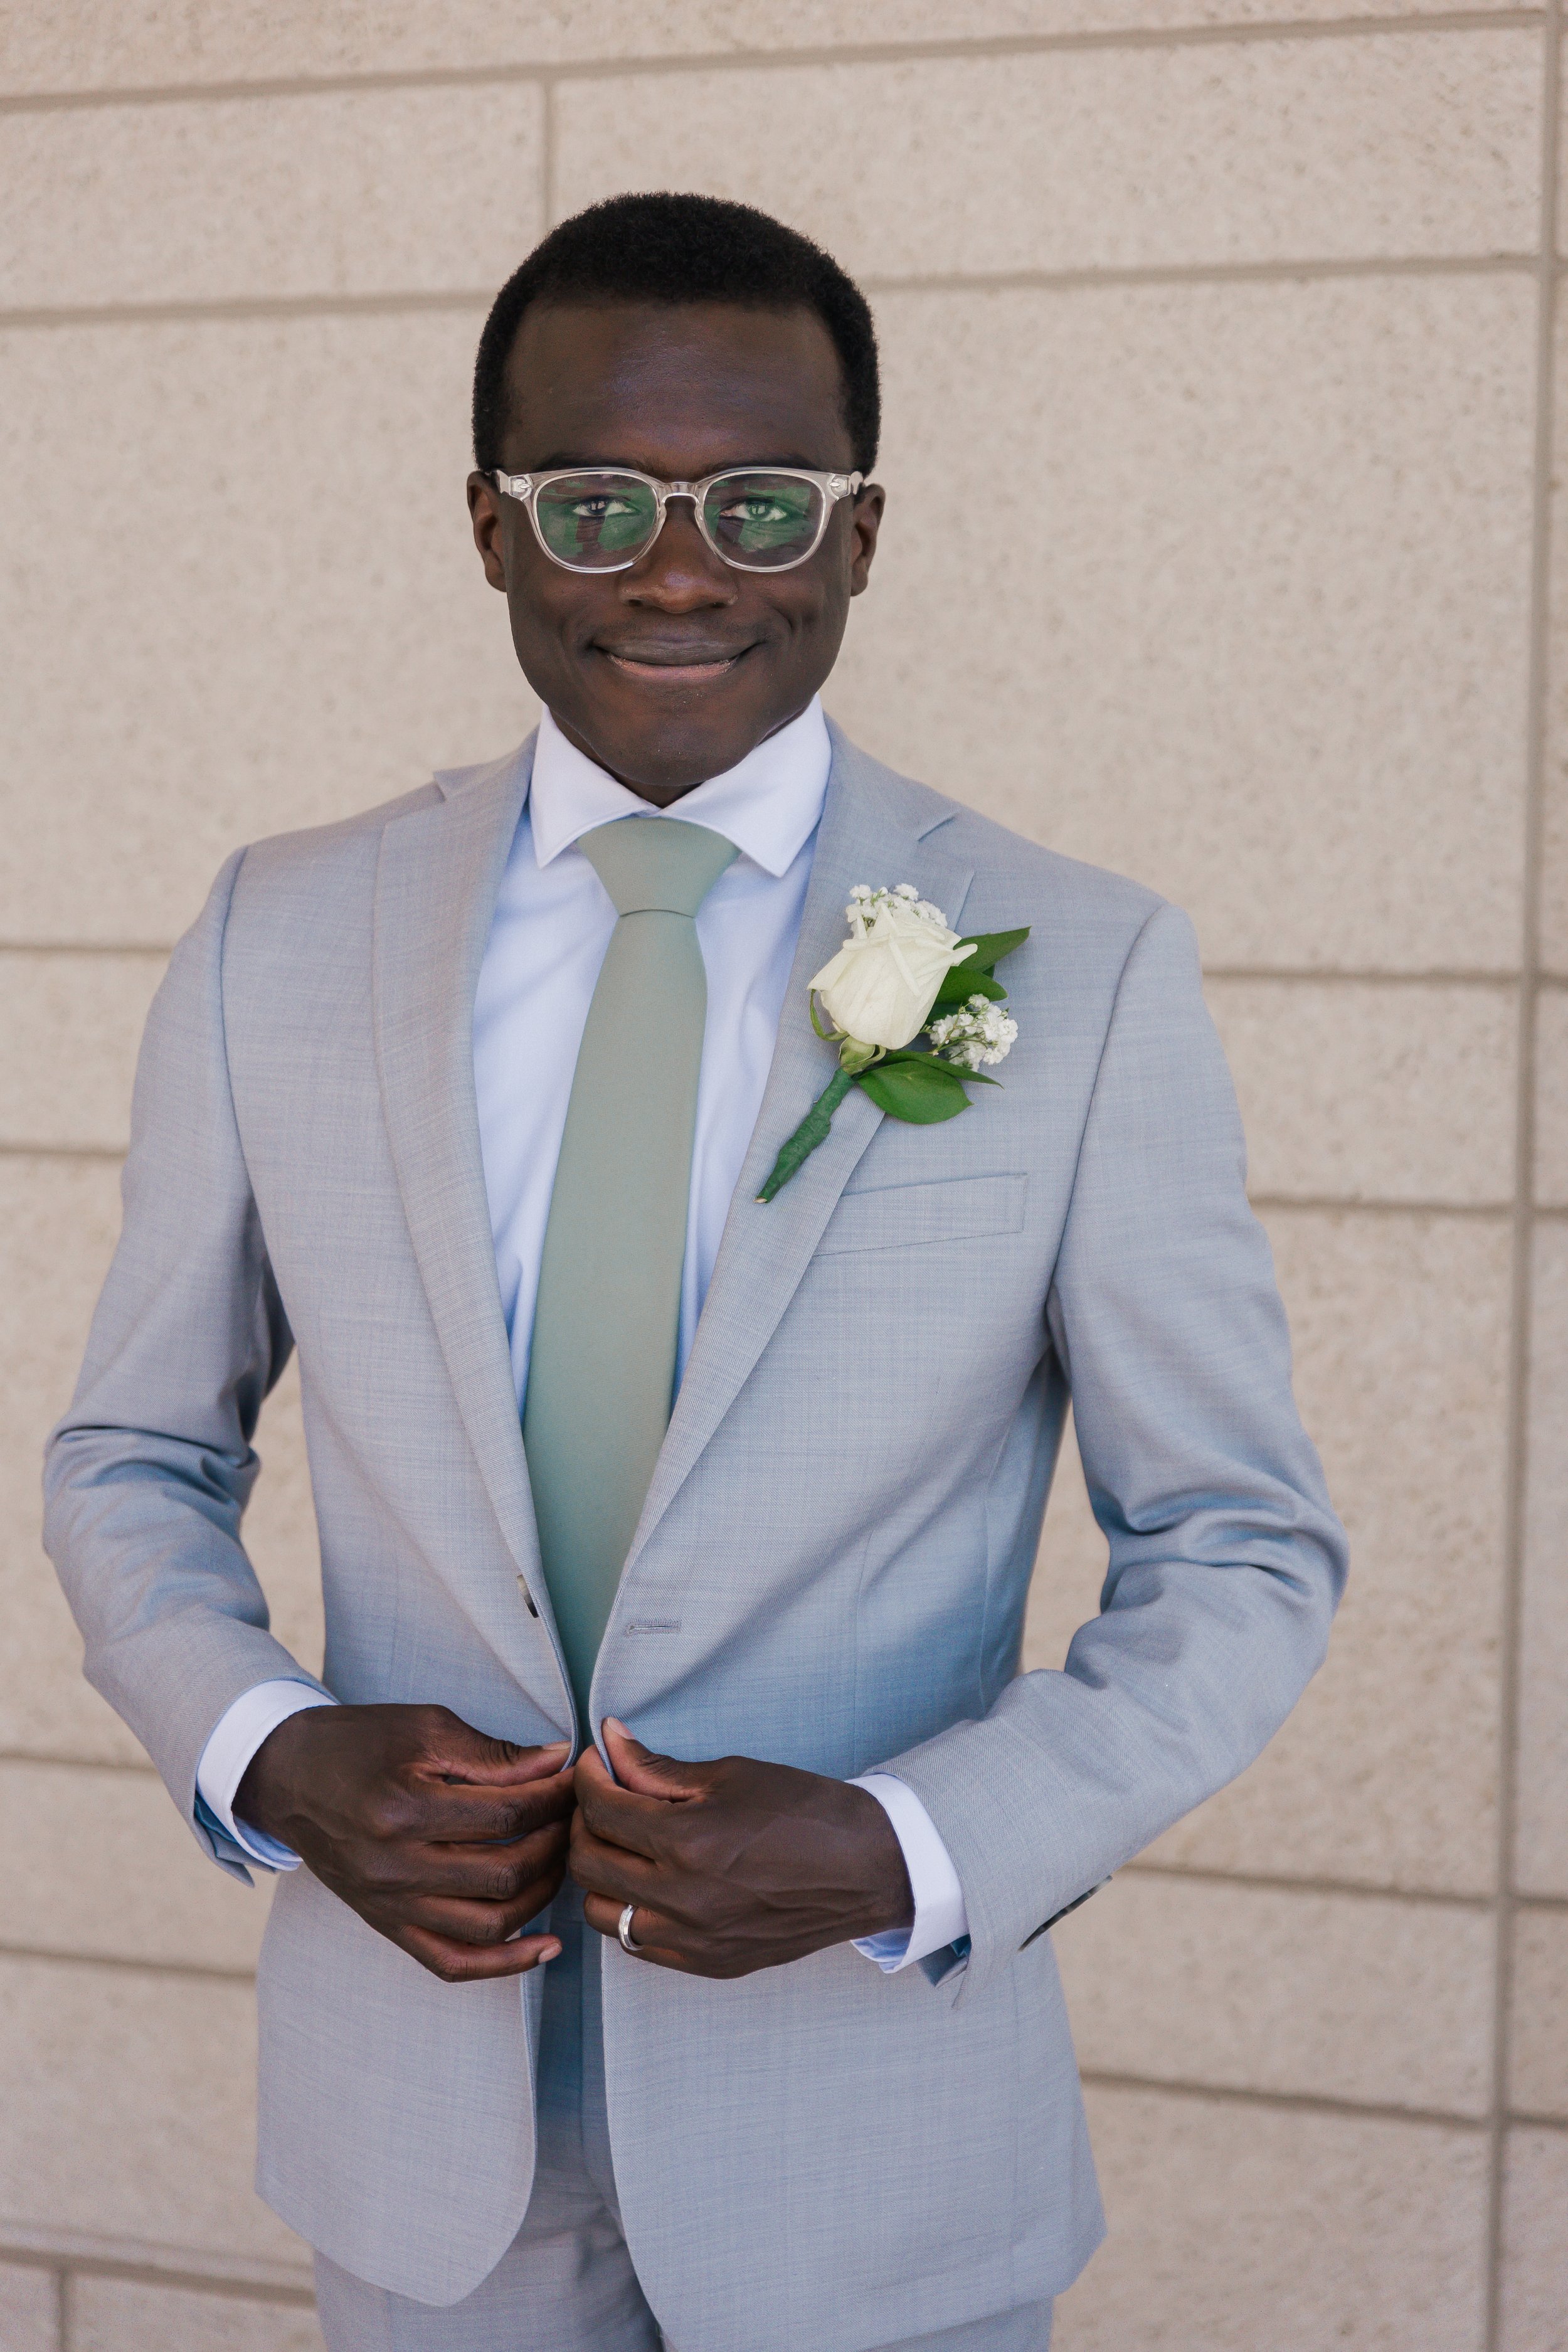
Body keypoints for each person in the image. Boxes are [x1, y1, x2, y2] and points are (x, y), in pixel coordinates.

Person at [44, 193, 1347, 2352]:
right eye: (594, 502)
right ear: (488, 528)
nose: (675, 571)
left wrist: (911, 1847)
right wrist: (268, 1753)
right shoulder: (281, 933)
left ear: (857, 533)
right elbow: (129, 1453)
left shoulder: (1080, 963)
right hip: (419, 2145)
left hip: (872, 2152)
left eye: (756, 504)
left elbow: (1238, 1547)